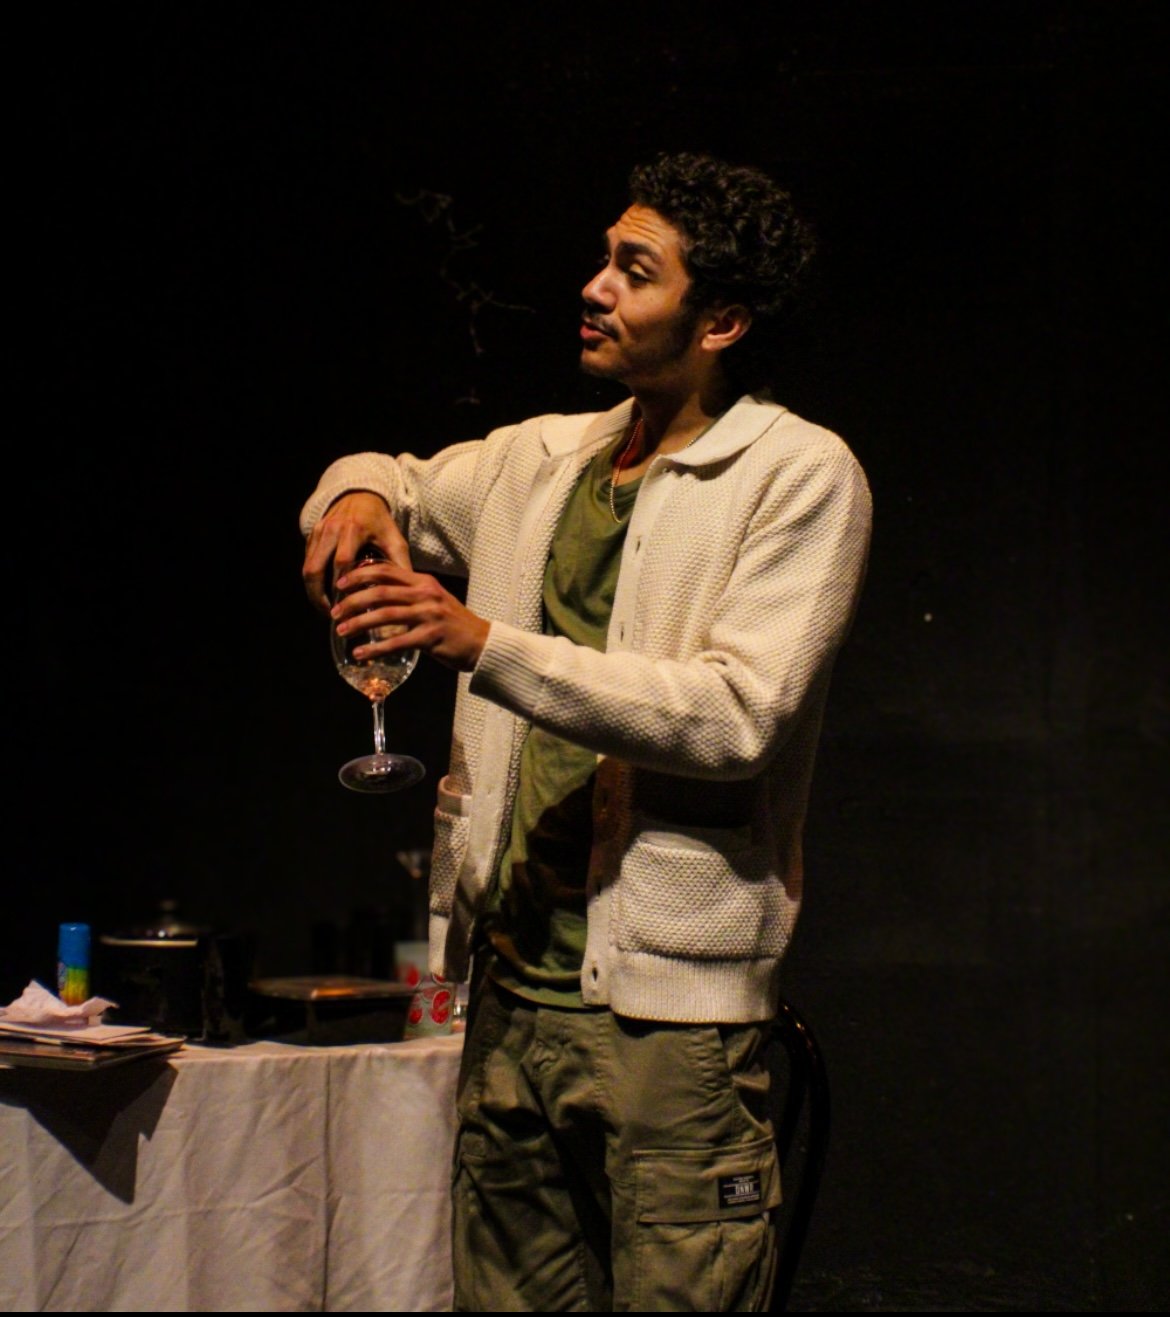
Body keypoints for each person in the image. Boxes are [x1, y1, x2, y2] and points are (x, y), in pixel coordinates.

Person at [300, 151, 871, 1311]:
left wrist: (484, 645)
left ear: (720, 321)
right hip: (510, 994)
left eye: (634, 272)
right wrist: (356, 499)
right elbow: (388, 477)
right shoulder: (541, 457)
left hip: (668, 1023)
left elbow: (736, 718)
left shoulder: (797, 474)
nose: (595, 287)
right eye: (604, 258)